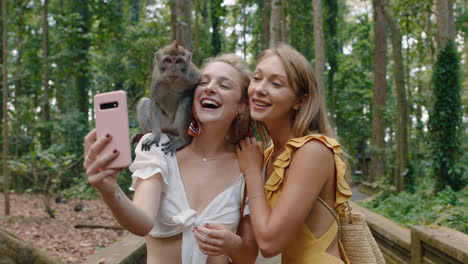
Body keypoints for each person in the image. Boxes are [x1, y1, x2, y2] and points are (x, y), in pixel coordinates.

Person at [83, 54, 257, 264]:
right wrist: (108, 189)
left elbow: (248, 256)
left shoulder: (249, 163)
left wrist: (233, 244)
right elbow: (142, 223)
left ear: (241, 106)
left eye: (224, 85)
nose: (210, 88)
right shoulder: (158, 149)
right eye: (204, 82)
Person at [235, 44, 353, 264]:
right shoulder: (269, 153)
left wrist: (252, 172)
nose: (259, 89)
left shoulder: (313, 151)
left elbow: (270, 244)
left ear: (300, 101)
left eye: (276, 83)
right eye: (257, 78)